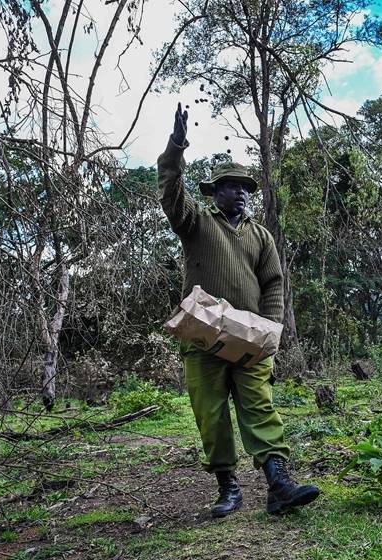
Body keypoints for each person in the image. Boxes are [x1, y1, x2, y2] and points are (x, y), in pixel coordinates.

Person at [157, 102, 319, 517]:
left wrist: (271, 330)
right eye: (232, 185)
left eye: (247, 187)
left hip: (250, 340)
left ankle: (278, 484)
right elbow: (171, 192)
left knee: (259, 405)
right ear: (215, 192)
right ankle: (228, 487)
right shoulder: (196, 221)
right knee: (211, 413)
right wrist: (176, 146)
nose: (242, 192)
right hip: (203, 335)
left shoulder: (261, 235)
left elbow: (274, 283)